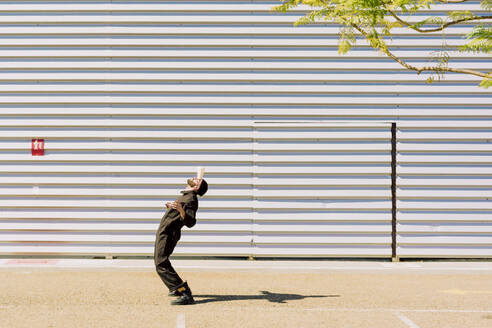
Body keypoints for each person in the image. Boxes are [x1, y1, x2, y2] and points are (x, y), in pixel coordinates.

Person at [154, 176, 208, 305]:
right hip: (164, 231)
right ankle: (176, 289)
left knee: (161, 263)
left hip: (169, 233)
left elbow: (190, 222)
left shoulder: (191, 199)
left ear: (196, 187)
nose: (196, 177)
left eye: (198, 180)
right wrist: (171, 206)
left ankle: (185, 292)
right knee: (161, 261)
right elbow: (178, 213)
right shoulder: (186, 196)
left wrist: (180, 210)